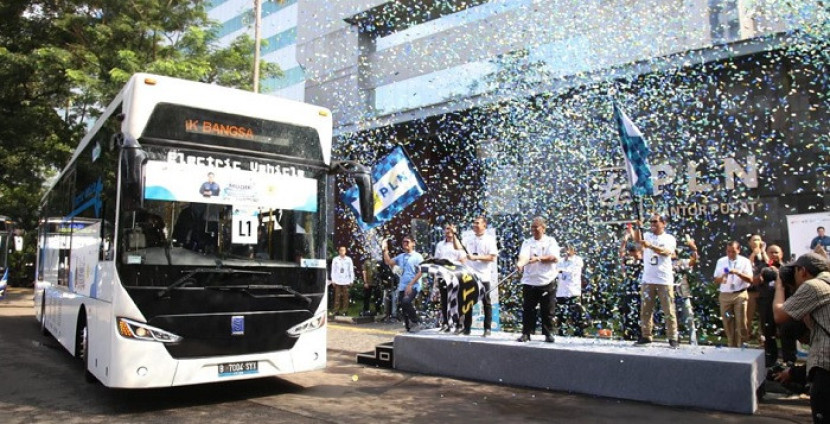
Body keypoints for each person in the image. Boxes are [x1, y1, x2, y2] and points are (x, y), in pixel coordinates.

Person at [773, 253, 830, 424]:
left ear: (802, 271)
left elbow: (779, 314)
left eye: (795, 273)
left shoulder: (814, 286)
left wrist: (780, 286)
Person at [632, 213, 679, 348]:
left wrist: (651, 246)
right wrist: (638, 227)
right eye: (651, 222)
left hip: (664, 279)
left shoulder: (669, 238)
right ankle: (646, 335)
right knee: (646, 309)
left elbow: (667, 252)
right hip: (648, 279)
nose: (652, 224)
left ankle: (672, 336)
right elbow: (637, 241)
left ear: (663, 223)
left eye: (655, 222)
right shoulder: (647, 236)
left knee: (668, 309)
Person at [515, 216, 560, 343]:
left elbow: (554, 257)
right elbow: (523, 256)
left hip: (547, 280)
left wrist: (539, 259)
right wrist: (520, 264)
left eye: (536, 227)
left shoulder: (550, 241)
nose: (534, 230)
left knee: (547, 309)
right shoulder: (527, 242)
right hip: (530, 281)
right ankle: (526, 333)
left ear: (543, 228)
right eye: (532, 227)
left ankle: (548, 333)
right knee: (528, 309)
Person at [713, 240, 754, 347]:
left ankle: (742, 345)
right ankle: (731, 344)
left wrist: (738, 273)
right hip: (725, 295)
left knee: (741, 321)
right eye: (728, 251)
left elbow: (750, 279)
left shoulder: (745, 261)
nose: (730, 254)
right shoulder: (721, 261)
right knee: (727, 320)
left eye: (733, 252)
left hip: (740, 294)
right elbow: (716, 280)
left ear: (739, 250)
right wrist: (723, 276)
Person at [462, 216, 498, 336]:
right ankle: (467, 328)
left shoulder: (489, 239)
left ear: (484, 225)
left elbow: (492, 257)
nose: (475, 225)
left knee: (486, 302)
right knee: (468, 302)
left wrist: (476, 257)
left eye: (478, 223)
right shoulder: (468, 239)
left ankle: (487, 328)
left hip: (484, 276)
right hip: (470, 275)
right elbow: (460, 251)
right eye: (474, 223)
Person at [383, 235, 424, 332]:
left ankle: (416, 321)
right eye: (403, 242)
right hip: (402, 286)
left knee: (406, 301)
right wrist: (385, 250)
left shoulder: (418, 256)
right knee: (403, 307)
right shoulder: (401, 256)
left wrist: (410, 284)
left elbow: (421, 271)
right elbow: (388, 262)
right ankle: (408, 328)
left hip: (413, 285)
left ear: (413, 243)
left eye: (407, 242)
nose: (405, 244)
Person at [432, 223, 465, 332]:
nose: (448, 231)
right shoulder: (440, 245)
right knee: (444, 299)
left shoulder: (460, 244)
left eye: (451, 228)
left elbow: (463, 260)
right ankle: (446, 323)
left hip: (455, 275)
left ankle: (459, 323)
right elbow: (436, 260)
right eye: (446, 228)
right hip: (443, 275)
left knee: (457, 299)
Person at [757, 244, 785, 366]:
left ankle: (788, 359)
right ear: (767, 254)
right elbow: (753, 281)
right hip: (766, 304)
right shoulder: (762, 267)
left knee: (785, 332)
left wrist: (778, 273)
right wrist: (760, 277)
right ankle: (770, 359)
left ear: (781, 254)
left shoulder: (787, 268)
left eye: (776, 252)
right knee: (768, 332)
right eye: (771, 252)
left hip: (783, 304)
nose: (774, 255)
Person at [673, 236, 699, 345]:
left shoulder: (681, 262)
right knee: (673, 318)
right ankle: (675, 339)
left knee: (689, 316)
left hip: (683, 292)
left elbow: (693, 261)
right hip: (669, 293)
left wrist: (694, 249)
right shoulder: (662, 263)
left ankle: (693, 340)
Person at [556, 245, 586, 337]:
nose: (567, 252)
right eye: (566, 250)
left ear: (574, 251)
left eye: (569, 249)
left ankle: (579, 333)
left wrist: (561, 270)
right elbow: (555, 271)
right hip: (561, 292)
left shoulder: (578, 260)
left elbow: (571, 271)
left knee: (576, 314)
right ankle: (561, 333)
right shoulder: (560, 261)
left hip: (573, 292)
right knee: (561, 315)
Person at [619, 227, 643, 341]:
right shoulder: (628, 260)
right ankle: (628, 332)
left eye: (636, 252)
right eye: (632, 252)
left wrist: (633, 234)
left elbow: (641, 245)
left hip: (640, 289)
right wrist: (625, 239)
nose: (634, 254)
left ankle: (640, 332)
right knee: (628, 310)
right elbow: (621, 252)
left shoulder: (643, 261)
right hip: (629, 288)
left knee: (639, 311)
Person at [746, 234, 769, 344]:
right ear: (749, 242)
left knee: (764, 315)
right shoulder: (745, 254)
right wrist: (753, 254)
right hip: (751, 290)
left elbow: (770, 264)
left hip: (764, 289)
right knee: (748, 315)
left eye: (759, 240)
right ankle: (746, 335)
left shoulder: (765, 253)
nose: (757, 242)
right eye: (754, 240)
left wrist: (763, 252)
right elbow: (746, 266)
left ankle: (762, 337)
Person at [330, 246, 355, 316]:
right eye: (341, 250)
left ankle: (345, 310)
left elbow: (351, 270)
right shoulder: (335, 259)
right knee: (337, 296)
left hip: (346, 280)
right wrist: (333, 280)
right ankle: (336, 310)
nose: (342, 252)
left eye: (343, 250)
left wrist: (351, 280)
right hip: (337, 280)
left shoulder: (349, 259)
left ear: (345, 251)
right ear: (339, 251)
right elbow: (333, 270)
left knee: (345, 296)